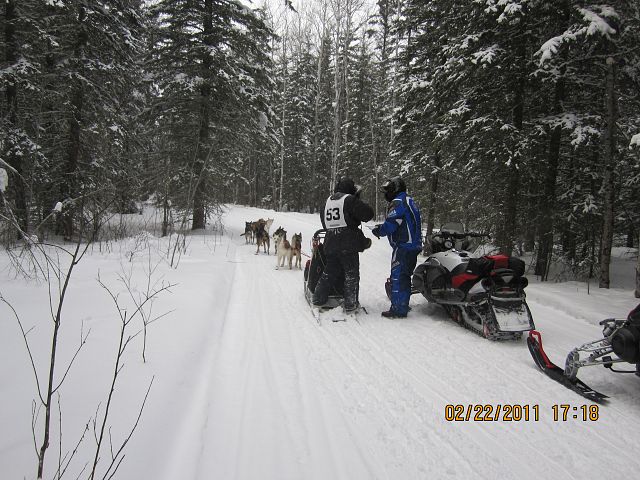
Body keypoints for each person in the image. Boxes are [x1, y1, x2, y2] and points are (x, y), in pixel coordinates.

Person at [312, 177, 374, 313]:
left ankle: (318, 298)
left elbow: (325, 224)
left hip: (330, 242)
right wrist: (357, 200)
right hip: (348, 243)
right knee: (351, 274)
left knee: (329, 272)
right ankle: (351, 304)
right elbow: (368, 214)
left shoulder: (327, 202)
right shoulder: (349, 200)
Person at [372, 176, 422, 318]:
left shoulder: (398, 201)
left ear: (395, 189)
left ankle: (398, 309)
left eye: (388, 190)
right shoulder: (409, 200)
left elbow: (392, 224)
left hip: (404, 245)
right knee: (405, 276)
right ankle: (403, 304)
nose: (386, 194)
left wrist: (379, 230)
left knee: (398, 276)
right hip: (414, 244)